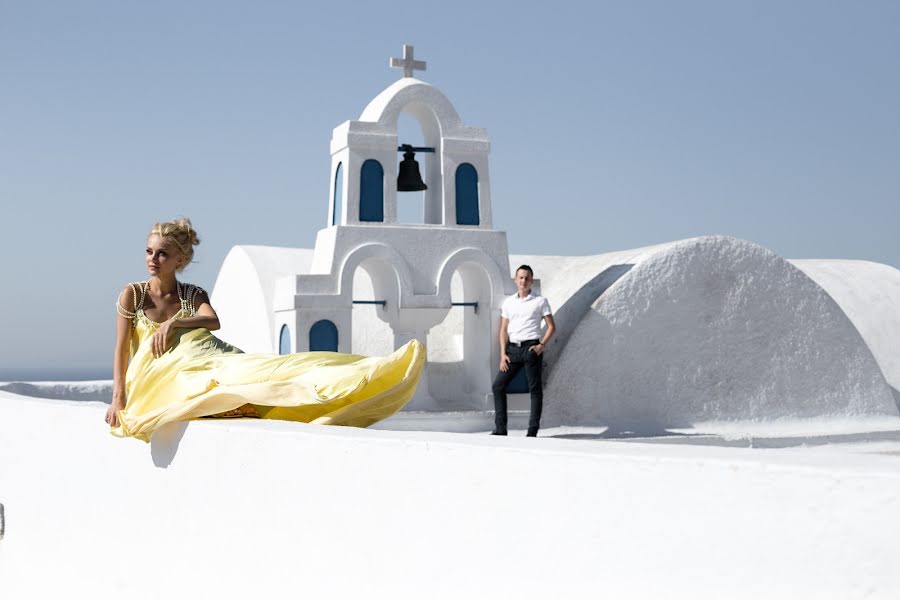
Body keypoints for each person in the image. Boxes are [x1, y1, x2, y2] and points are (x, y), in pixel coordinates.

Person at [105, 218, 425, 442]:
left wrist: (175, 323)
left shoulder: (192, 294)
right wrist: (118, 398)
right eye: (149, 251)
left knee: (271, 369)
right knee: (213, 381)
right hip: (164, 373)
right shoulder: (133, 294)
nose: (153, 259)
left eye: (162, 253)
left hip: (208, 356)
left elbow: (212, 321)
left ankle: (370, 372)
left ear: (179, 259)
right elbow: (121, 349)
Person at [491, 265, 556, 437]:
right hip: (512, 350)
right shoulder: (509, 303)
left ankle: (532, 431)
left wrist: (541, 345)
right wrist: (503, 354)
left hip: (531, 349)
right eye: (520, 277)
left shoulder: (540, 301)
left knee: (535, 390)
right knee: (498, 386)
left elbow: (551, 327)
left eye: (527, 278)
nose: (523, 281)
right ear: (515, 279)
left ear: (531, 281)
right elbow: (503, 330)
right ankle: (500, 429)